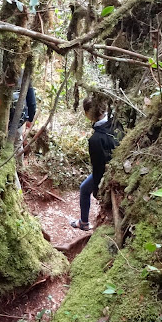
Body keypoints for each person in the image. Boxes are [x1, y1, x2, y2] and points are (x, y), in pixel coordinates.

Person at [70, 97, 119, 231]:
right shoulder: (116, 121)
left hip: (108, 174)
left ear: (88, 114)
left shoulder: (95, 139)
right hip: (120, 168)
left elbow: (98, 169)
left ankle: (84, 222)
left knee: (84, 189)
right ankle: (84, 222)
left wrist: (97, 190)